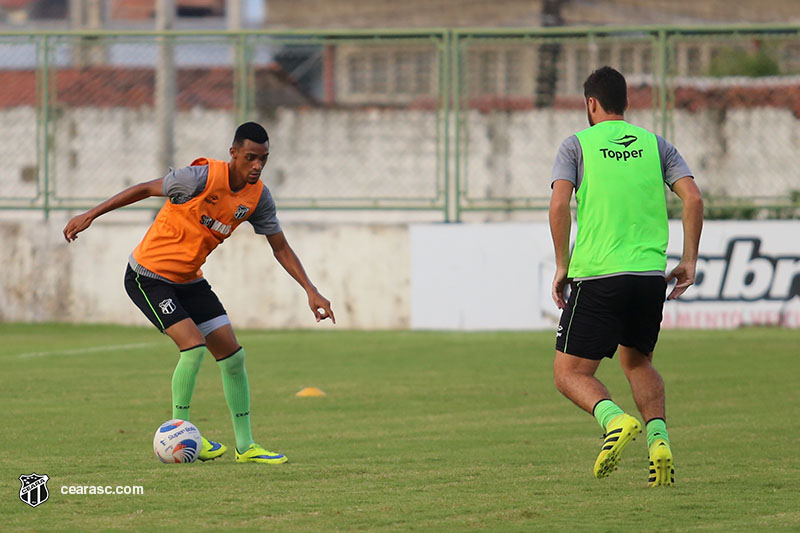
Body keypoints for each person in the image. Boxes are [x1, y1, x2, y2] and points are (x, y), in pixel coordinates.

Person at [63, 121, 335, 464]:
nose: (256, 166)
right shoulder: (199, 178)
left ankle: (246, 446)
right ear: (233, 153)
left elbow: (280, 247)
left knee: (233, 356)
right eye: (250, 157)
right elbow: (145, 189)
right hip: (148, 276)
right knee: (193, 347)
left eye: (263, 159)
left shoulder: (258, 197)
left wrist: (311, 290)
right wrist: (91, 214)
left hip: (189, 279)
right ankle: (182, 434)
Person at [549, 67, 703, 486]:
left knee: (570, 374)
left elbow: (559, 206)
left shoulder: (576, 145)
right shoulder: (657, 145)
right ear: (625, 103)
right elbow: (693, 197)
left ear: (591, 104)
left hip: (599, 275)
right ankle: (659, 441)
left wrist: (563, 264)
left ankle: (616, 422)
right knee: (638, 362)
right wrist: (688, 259)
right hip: (649, 277)